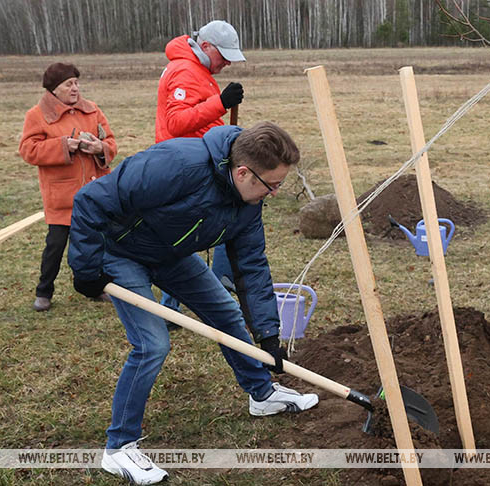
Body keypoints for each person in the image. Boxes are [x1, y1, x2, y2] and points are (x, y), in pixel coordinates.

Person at [68, 122, 318, 485]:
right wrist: (87, 269)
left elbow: (250, 265)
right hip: (119, 251)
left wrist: (266, 333)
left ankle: (261, 393)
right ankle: (119, 448)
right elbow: (91, 200)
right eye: (273, 185)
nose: (276, 193)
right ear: (244, 172)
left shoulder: (248, 200)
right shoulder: (176, 164)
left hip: (171, 254)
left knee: (226, 314)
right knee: (152, 344)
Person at [155, 19, 246, 311]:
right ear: (205, 46)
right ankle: (179, 301)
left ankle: (213, 284)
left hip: (197, 159)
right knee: (189, 230)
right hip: (183, 164)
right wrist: (221, 103)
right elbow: (177, 123)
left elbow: (199, 118)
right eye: (224, 56)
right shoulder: (184, 70)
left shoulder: (197, 69)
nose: (227, 64)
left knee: (219, 217)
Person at [19, 62, 117, 312]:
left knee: (95, 244)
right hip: (62, 196)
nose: (75, 88)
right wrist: (64, 146)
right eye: (68, 84)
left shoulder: (92, 110)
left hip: (94, 192)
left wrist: (100, 148)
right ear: (54, 90)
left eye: (76, 83)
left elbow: (110, 141)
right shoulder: (36, 116)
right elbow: (28, 150)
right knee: (55, 246)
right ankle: (44, 292)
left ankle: (96, 288)